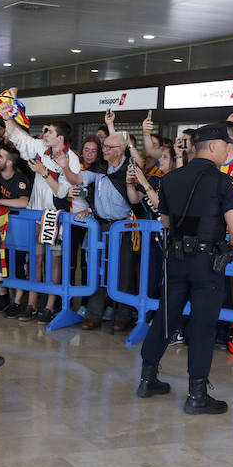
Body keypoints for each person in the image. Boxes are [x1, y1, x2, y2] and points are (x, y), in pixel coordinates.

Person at [137, 123, 233, 414]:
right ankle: (197, 395)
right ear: (212, 147)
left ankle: (148, 379)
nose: (228, 150)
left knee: (165, 317)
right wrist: (227, 249)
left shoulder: (171, 179)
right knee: (203, 324)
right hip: (207, 262)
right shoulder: (222, 182)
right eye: (225, 145)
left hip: (175, 259)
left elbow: (166, 221)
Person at [0, 97, 80, 324]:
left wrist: (45, 172)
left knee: (54, 261)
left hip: (55, 217)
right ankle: (32, 303)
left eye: (49, 132)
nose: (44, 134)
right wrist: (7, 117)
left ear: (60, 138)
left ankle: (50, 305)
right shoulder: (40, 149)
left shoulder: (71, 159)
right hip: (35, 215)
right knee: (35, 260)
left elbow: (66, 191)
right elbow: (18, 137)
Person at [62, 133, 140, 331]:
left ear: (121, 149)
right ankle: (93, 314)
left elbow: (136, 200)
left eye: (109, 147)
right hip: (101, 226)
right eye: (103, 146)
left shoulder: (130, 170)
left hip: (124, 228)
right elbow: (77, 178)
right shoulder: (99, 168)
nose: (104, 150)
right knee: (97, 271)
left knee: (124, 272)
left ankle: (123, 315)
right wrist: (64, 166)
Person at [0, 146, 30, 312]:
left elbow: (23, 202)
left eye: (0, 156)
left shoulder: (20, 178)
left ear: (9, 162)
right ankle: (3, 298)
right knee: (3, 263)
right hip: (1, 231)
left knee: (18, 265)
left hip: (19, 231)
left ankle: (17, 302)